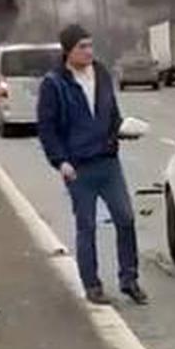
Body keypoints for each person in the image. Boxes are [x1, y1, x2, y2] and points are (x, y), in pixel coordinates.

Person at [37, 24, 147, 306]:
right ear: (67, 51)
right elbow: (47, 129)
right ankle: (92, 285)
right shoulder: (54, 83)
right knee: (86, 227)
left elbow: (112, 113)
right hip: (78, 167)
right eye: (81, 47)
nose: (88, 52)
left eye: (90, 45)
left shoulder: (101, 73)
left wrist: (122, 131)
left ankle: (129, 279)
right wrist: (60, 161)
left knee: (126, 218)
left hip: (108, 162)